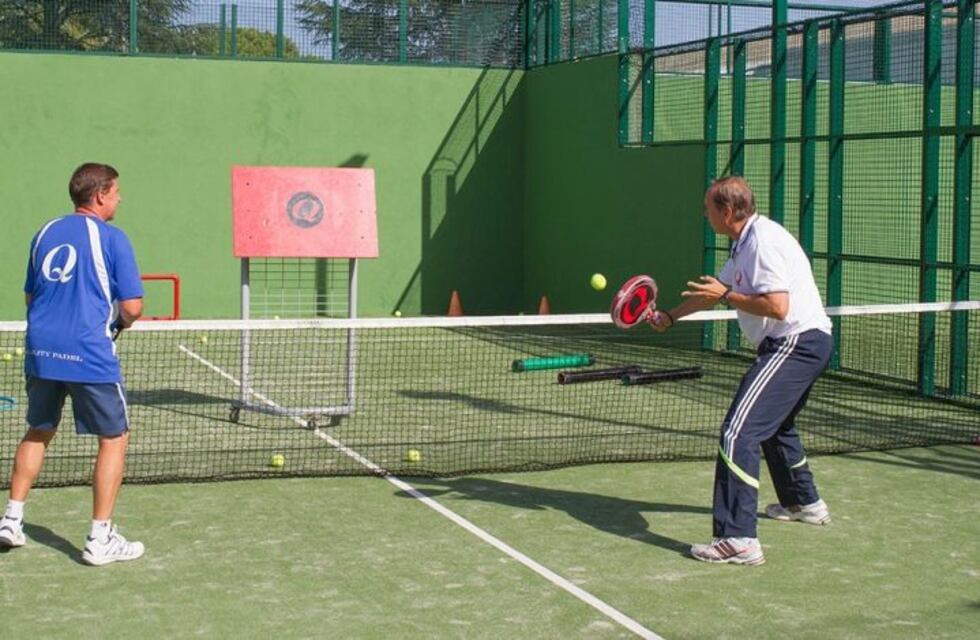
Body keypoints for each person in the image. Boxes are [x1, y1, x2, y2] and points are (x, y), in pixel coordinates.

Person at [650, 176, 833, 566]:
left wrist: (728, 296)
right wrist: (670, 316)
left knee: (738, 432)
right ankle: (804, 503)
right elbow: (713, 292)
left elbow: (778, 307)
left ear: (728, 210)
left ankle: (738, 539)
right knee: (776, 427)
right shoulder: (744, 242)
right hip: (805, 342)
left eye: (708, 208)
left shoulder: (763, 242)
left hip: (795, 343)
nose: (705, 214)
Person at [0, 163, 144, 566]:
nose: (119, 198)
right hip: (89, 352)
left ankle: (11, 519)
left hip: (41, 350)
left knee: (39, 428)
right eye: (116, 192)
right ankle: (100, 539)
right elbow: (132, 307)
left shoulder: (44, 232)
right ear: (100, 195)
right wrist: (118, 324)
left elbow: (31, 298)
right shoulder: (113, 238)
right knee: (114, 438)